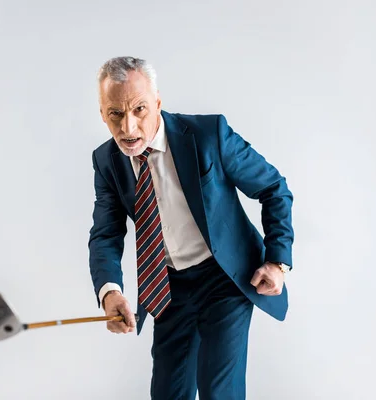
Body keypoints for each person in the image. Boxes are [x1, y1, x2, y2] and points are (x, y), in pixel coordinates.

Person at [87, 56, 294, 400]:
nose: (128, 128)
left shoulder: (208, 135)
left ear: (157, 103)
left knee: (218, 391)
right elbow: (105, 233)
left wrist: (277, 261)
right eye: (115, 114)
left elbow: (274, 189)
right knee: (169, 394)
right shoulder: (107, 161)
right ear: (102, 113)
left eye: (139, 110)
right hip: (168, 288)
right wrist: (110, 292)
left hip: (224, 279)